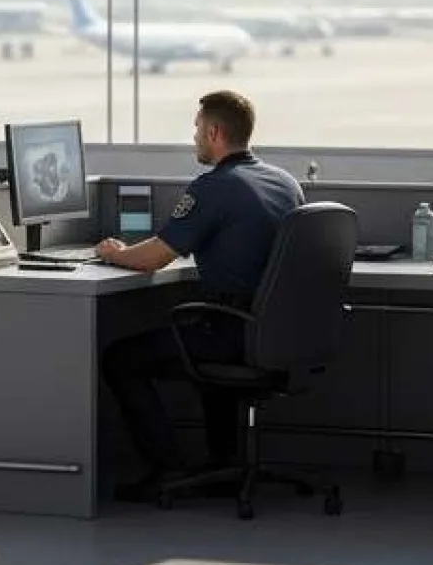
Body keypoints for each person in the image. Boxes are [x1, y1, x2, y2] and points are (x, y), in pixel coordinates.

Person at [98, 90, 303, 504]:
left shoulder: (215, 187)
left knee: (120, 359)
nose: (193, 137)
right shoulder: (285, 182)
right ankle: (223, 466)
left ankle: (167, 470)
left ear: (214, 133)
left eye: (196, 129)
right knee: (205, 336)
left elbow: (154, 257)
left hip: (234, 331)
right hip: (281, 333)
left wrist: (114, 253)